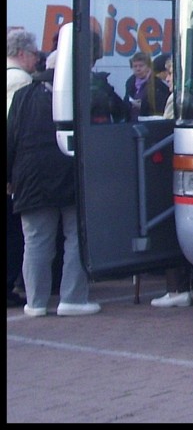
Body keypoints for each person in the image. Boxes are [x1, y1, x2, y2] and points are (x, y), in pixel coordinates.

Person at [7, 73, 100, 316]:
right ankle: (72, 299)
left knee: (36, 241)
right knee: (77, 238)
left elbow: (10, 138)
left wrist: (9, 177)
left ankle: (35, 303)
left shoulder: (22, 96)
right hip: (71, 174)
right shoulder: (81, 91)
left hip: (30, 178)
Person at [148, 54, 193, 308]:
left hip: (178, 170)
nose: (167, 77)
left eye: (171, 73)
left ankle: (177, 289)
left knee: (172, 224)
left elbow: (166, 125)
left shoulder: (177, 99)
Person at [6, 29, 40, 308]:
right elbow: (17, 129)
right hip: (16, 165)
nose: (36, 60)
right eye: (33, 54)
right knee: (16, 233)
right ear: (21, 53)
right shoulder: (21, 81)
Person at [124, 50, 169, 120]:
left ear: (148, 67)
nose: (138, 69)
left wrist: (141, 106)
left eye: (141, 66)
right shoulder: (130, 82)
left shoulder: (157, 84)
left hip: (149, 123)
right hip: (131, 122)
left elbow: (161, 107)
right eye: (135, 66)